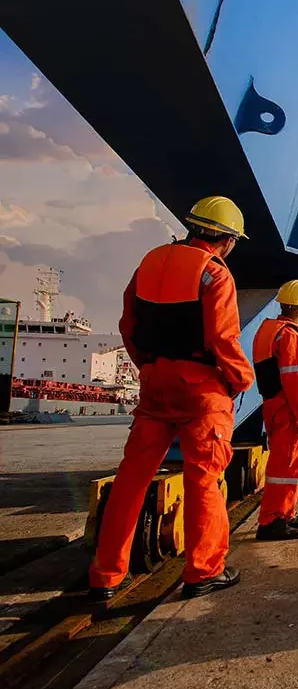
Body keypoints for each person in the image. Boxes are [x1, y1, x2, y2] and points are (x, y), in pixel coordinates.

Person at [88, 196, 254, 601]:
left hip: (155, 381)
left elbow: (129, 324)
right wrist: (242, 379)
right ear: (227, 240)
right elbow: (222, 338)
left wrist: (147, 364)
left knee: (131, 479)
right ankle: (203, 571)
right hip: (201, 388)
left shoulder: (149, 263)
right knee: (206, 480)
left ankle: (107, 575)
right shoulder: (214, 274)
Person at [253, 280, 298, 541]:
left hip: (276, 405)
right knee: (284, 468)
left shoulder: (270, 331)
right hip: (288, 409)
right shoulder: (290, 336)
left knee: (288, 466)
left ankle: (286, 513)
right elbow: (294, 382)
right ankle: (272, 521)